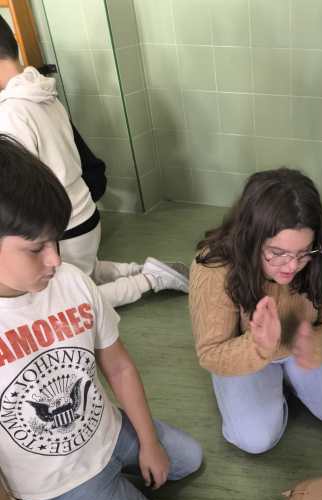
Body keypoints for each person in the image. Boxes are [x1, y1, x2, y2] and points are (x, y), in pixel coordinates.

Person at [0, 135, 203, 500]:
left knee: (189, 458)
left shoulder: (71, 282)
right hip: (53, 482)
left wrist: (148, 441)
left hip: (105, 432)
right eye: (36, 248)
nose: (55, 260)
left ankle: (118, 475)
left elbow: (119, 366)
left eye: (56, 241)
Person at [0, 17, 189, 308]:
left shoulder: (11, 113)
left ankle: (150, 279)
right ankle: (140, 269)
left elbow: (20, 191)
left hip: (62, 226)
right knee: (83, 271)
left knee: (74, 299)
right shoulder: (42, 92)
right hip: (84, 213)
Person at [189, 168, 322, 454]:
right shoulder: (213, 268)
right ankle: (279, 379)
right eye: (277, 252)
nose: (292, 265)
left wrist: (316, 343)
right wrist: (258, 346)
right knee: (255, 440)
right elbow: (211, 351)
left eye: (303, 252)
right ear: (250, 239)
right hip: (247, 350)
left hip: (304, 342)